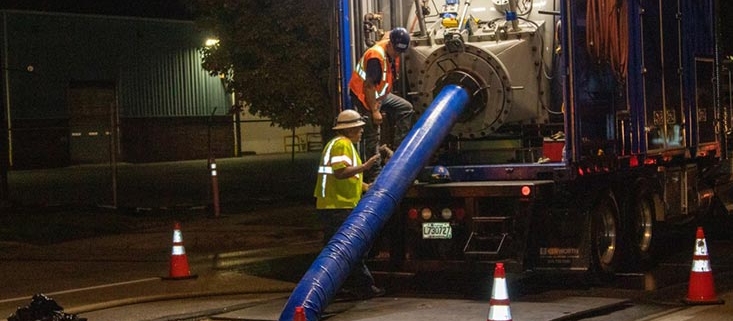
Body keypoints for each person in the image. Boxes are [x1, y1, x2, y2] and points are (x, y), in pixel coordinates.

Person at [313, 109, 385, 300]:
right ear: (350, 129)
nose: (361, 132)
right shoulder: (342, 145)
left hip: (333, 205)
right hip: (338, 206)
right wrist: (366, 166)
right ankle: (365, 287)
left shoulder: (339, 144)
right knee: (352, 249)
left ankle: (337, 287)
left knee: (336, 251)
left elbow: (347, 175)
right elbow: (340, 172)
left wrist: (365, 186)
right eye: (359, 128)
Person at [348, 27, 415, 183]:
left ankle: (398, 155)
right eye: (396, 51)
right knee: (372, 133)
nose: (398, 55)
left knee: (406, 108)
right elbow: (369, 86)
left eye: (400, 52)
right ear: (390, 45)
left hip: (380, 95)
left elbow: (389, 35)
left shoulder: (391, 46)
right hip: (365, 97)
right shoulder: (375, 56)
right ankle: (374, 175)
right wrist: (374, 111)